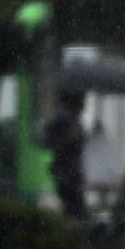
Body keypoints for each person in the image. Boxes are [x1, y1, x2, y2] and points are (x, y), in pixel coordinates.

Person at [43, 90, 87, 218]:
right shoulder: (64, 118)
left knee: (73, 208)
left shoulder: (70, 117)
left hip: (68, 170)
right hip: (67, 172)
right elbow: (54, 142)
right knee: (75, 208)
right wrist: (71, 138)